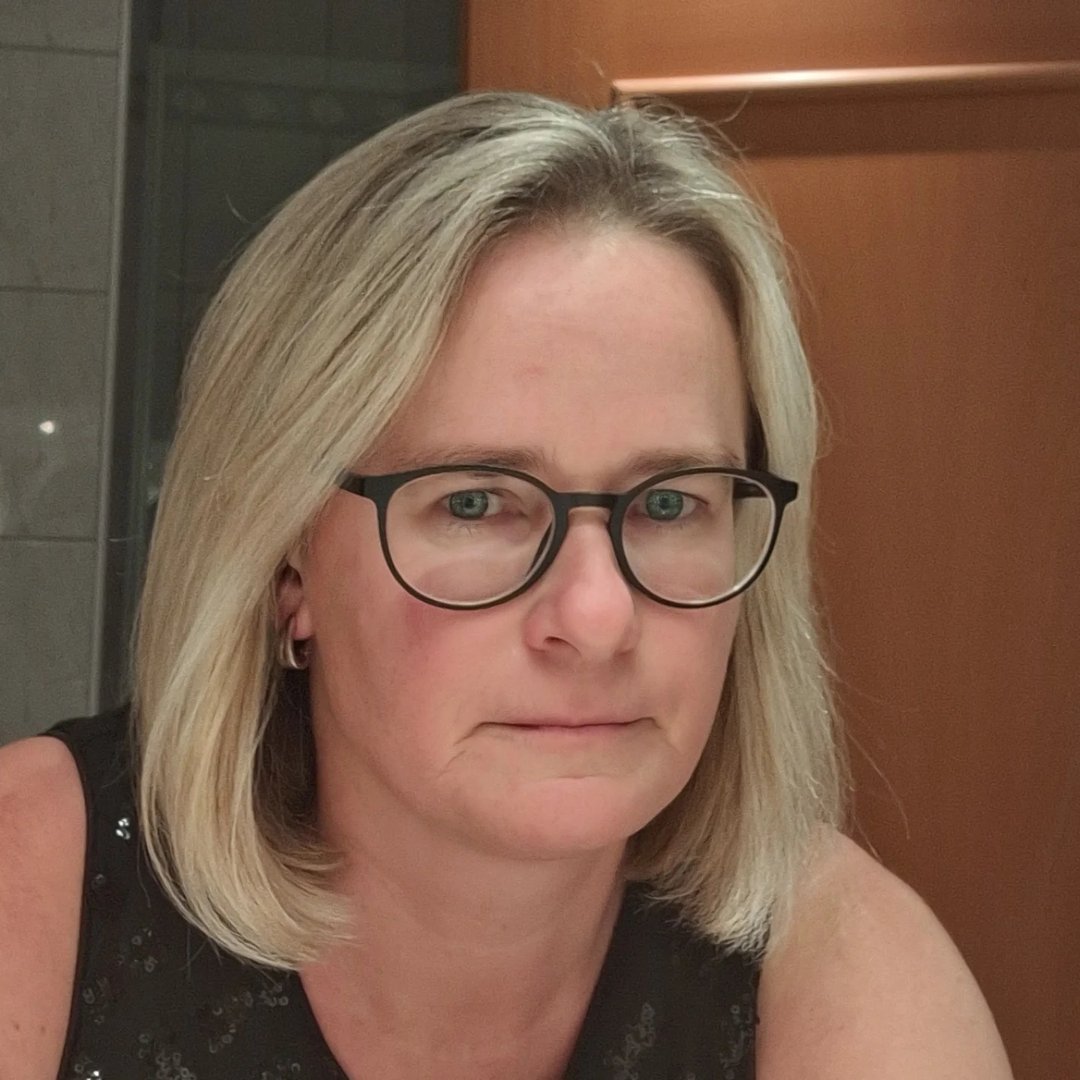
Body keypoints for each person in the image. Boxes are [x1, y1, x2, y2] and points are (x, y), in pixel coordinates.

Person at [0, 92, 1012, 1080]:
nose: (598, 616)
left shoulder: (853, 972)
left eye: (669, 505)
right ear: (286, 565)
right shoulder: (33, 884)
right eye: (478, 504)